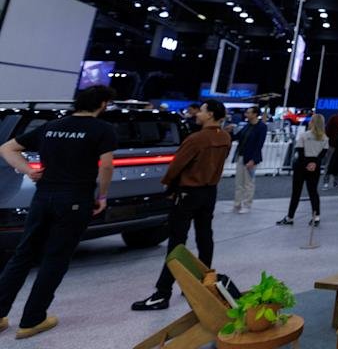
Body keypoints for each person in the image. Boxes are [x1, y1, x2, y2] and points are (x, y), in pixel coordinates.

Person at [0, 85, 117, 339]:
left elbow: (6, 148)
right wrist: (102, 196)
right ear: (103, 104)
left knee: (23, 255)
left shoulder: (51, 126)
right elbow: (107, 166)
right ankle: (32, 320)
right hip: (75, 199)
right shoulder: (103, 129)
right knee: (55, 257)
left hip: (43, 197)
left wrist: (29, 171)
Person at [132, 100, 231, 312]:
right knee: (205, 237)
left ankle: (162, 293)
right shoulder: (224, 138)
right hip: (209, 192)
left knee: (177, 242)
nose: (197, 114)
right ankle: (203, 283)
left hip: (188, 193)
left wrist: (168, 186)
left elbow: (177, 166)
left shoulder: (196, 139)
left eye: (201, 111)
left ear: (210, 114)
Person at [278, 113, 328, 226]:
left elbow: (299, 152)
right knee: (313, 192)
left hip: (301, 166)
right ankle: (316, 217)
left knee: (296, 192)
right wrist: (314, 163)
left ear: (312, 122)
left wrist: (306, 163)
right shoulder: (325, 138)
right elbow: (323, 154)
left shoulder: (304, 135)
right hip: (315, 166)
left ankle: (290, 217)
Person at [230, 106, 267, 213]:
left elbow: (259, 145)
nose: (246, 114)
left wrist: (253, 160)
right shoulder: (247, 125)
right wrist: (230, 132)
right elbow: (237, 137)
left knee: (248, 183)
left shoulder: (261, 127)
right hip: (241, 156)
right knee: (239, 182)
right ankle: (237, 204)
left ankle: (247, 205)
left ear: (255, 114)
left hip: (251, 158)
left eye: (248, 112)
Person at [322, 102, 338, 189]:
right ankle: (325, 182)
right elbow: (327, 130)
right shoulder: (334, 118)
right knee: (329, 163)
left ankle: (336, 182)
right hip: (332, 145)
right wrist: (329, 141)